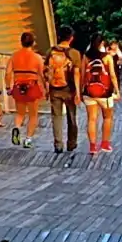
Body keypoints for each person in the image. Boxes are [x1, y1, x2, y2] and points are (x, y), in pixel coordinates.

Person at [46, 25, 82, 154]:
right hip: (69, 89)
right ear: (71, 38)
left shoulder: (50, 52)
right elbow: (76, 74)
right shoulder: (74, 53)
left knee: (56, 116)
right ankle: (71, 143)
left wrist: (46, 88)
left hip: (54, 88)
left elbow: (47, 71)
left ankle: (58, 144)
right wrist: (78, 92)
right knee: (72, 117)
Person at [6, 30, 46, 148]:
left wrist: (8, 87)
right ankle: (28, 139)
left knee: (20, 113)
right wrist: (46, 88)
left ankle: (17, 128)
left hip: (18, 85)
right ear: (33, 43)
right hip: (32, 85)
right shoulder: (37, 57)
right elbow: (42, 75)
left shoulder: (14, 56)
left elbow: (8, 73)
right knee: (33, 115)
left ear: (21, 42)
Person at [82, 38, 118, 153]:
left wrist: (81, 90)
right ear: (102, 44)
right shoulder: (107, 57)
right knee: (107, 117)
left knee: (91, 119)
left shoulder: (86, 57)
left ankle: (93, 146)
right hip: (105, 93)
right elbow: (112, 75)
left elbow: (83, 75)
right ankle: (105, 143)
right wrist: (117, 90)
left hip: (89, 92)